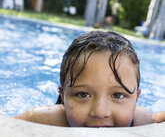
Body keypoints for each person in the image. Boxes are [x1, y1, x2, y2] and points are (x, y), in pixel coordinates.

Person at [15, 31, 165, 127]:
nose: (100, 112)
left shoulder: (139, 119)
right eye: (83, 94)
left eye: (118, 95)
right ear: (64, 97)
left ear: (136, 99)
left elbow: (157, 118)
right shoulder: (46, 120)